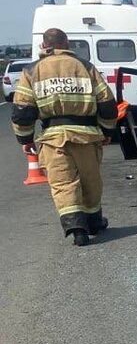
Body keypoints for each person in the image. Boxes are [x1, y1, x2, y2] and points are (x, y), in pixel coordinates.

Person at [11, 28, 117, 246]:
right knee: (91, 180)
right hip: (86, 136)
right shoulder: (85, 67)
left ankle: (76, 228)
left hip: (52, 138)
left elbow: (23, 111)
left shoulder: (31, 71)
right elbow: (107, 104)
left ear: (44, 46)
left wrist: (26, 140)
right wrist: (107, 132)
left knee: (62, 183)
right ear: (67, 44)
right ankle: (94, 222)